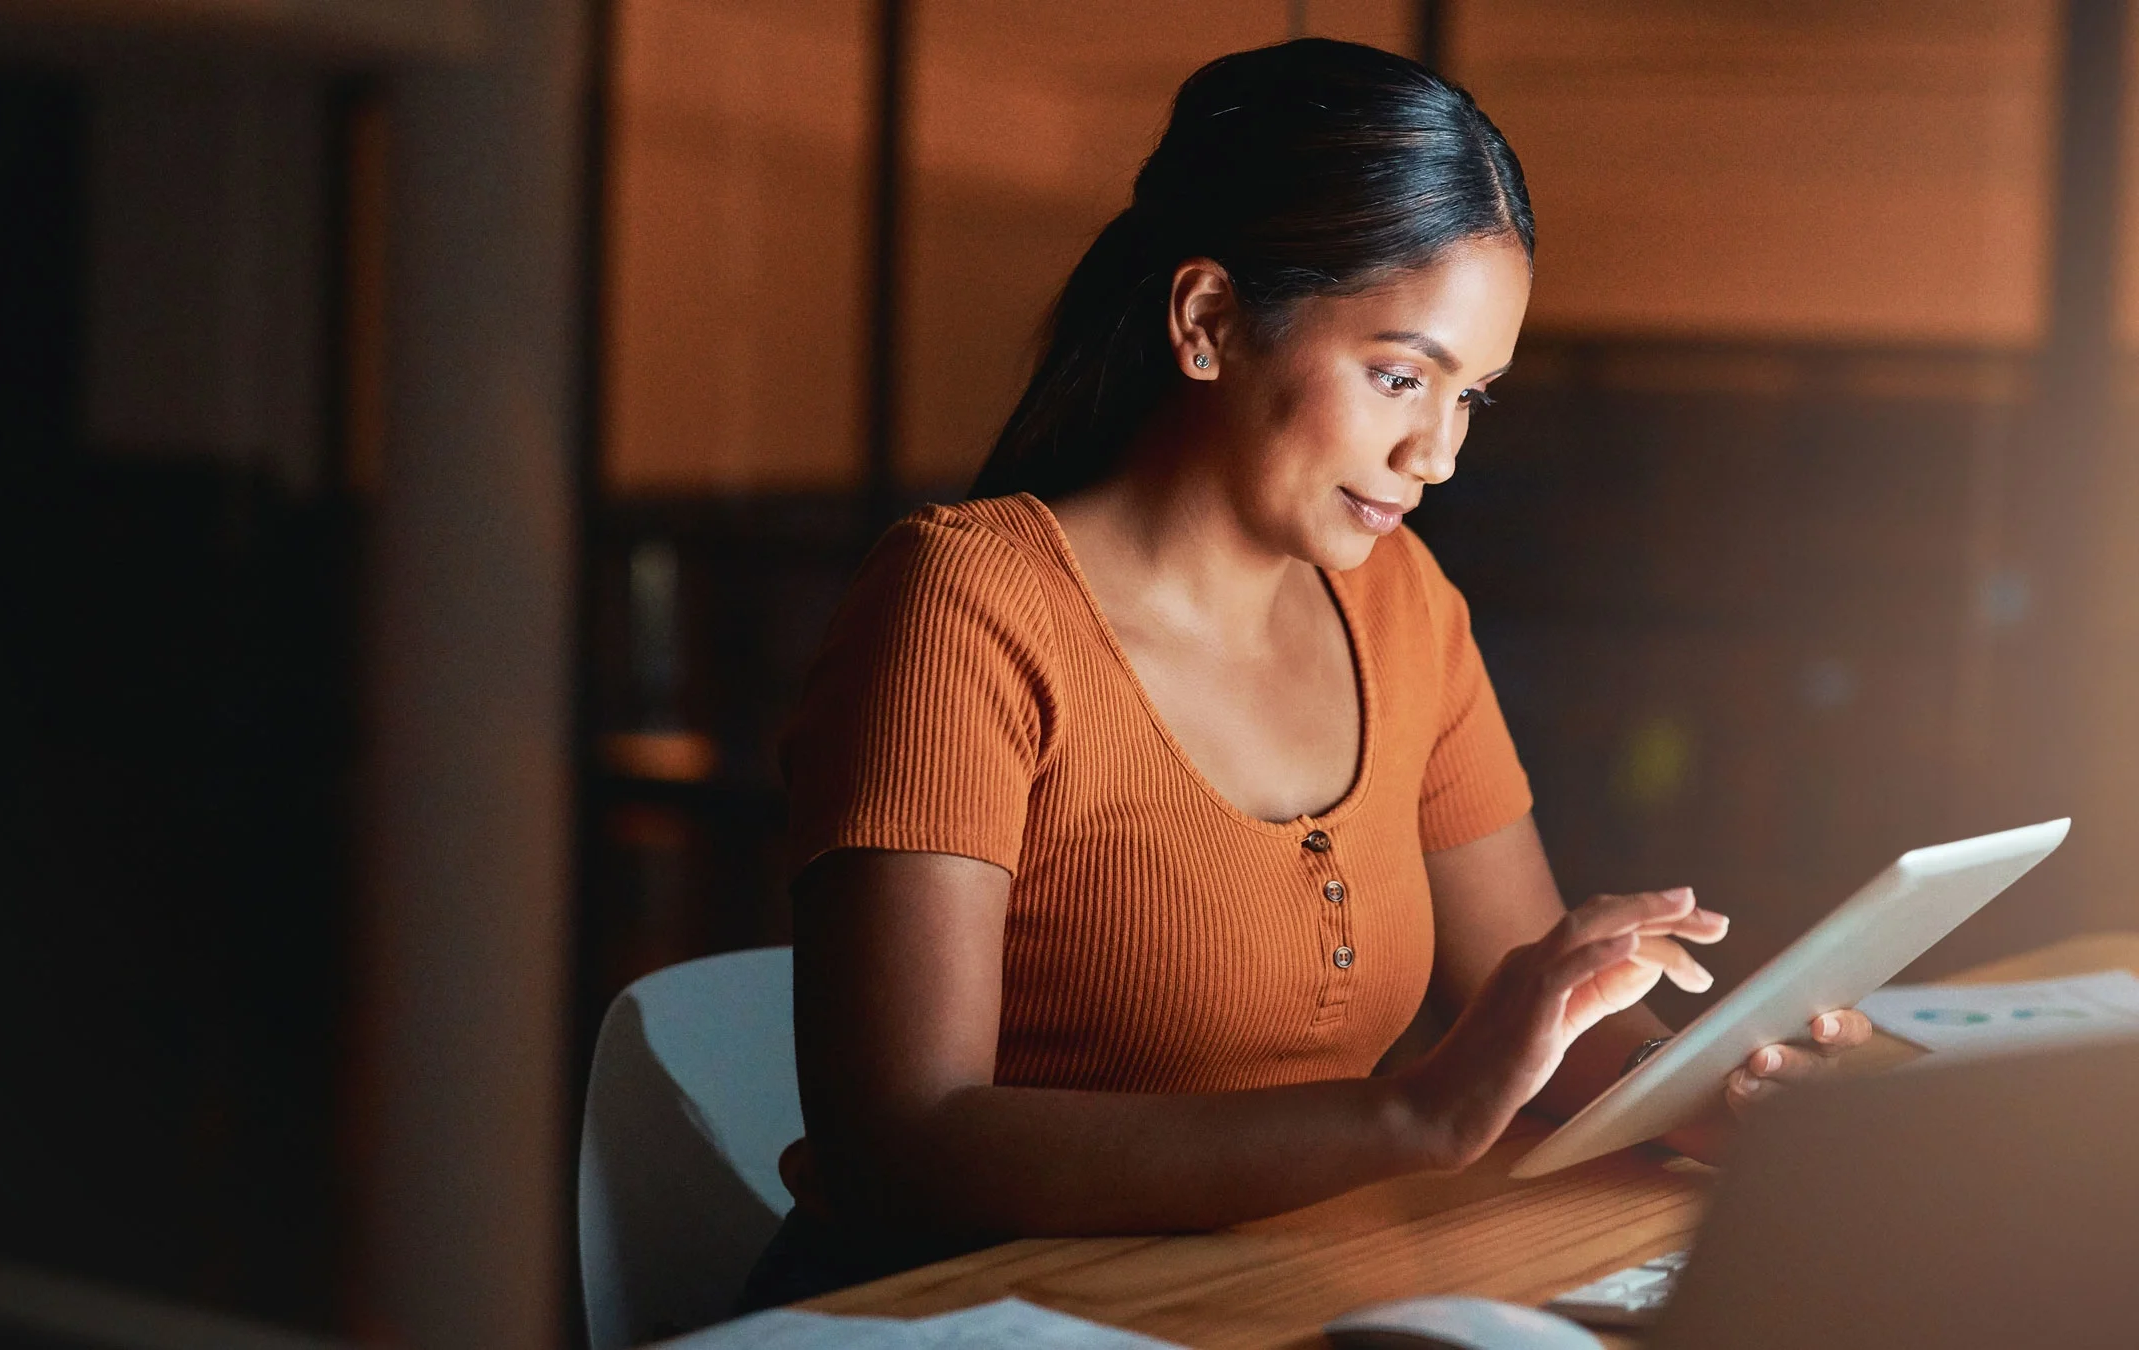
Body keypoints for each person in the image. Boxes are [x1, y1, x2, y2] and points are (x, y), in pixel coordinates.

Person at [744, 37, 1872, 1307]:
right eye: (1400, 377)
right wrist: (1405, 1123)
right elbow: (900, 1141)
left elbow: (1547, 1045)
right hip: (960, 1321)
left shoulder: (1405, 611)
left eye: (1472, 400)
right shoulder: (966, 610)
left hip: (1267, 1300)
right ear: (1209, 321)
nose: (1435, 453)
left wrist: (1709, 1094)